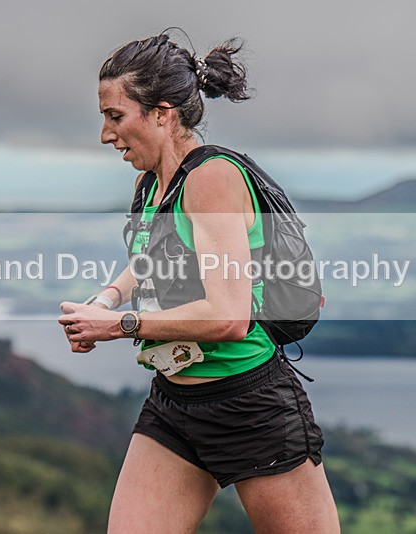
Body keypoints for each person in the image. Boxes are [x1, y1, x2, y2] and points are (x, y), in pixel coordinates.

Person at [58, 31, 340, 533]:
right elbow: (154, 258)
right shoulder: (152, 183)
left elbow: (229, 317)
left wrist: (119, 325)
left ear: (162, 113)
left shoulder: (212, 178)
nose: (105, 134)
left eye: (115, 116)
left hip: (249, 404)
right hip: (174, 403)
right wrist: (105, 299)